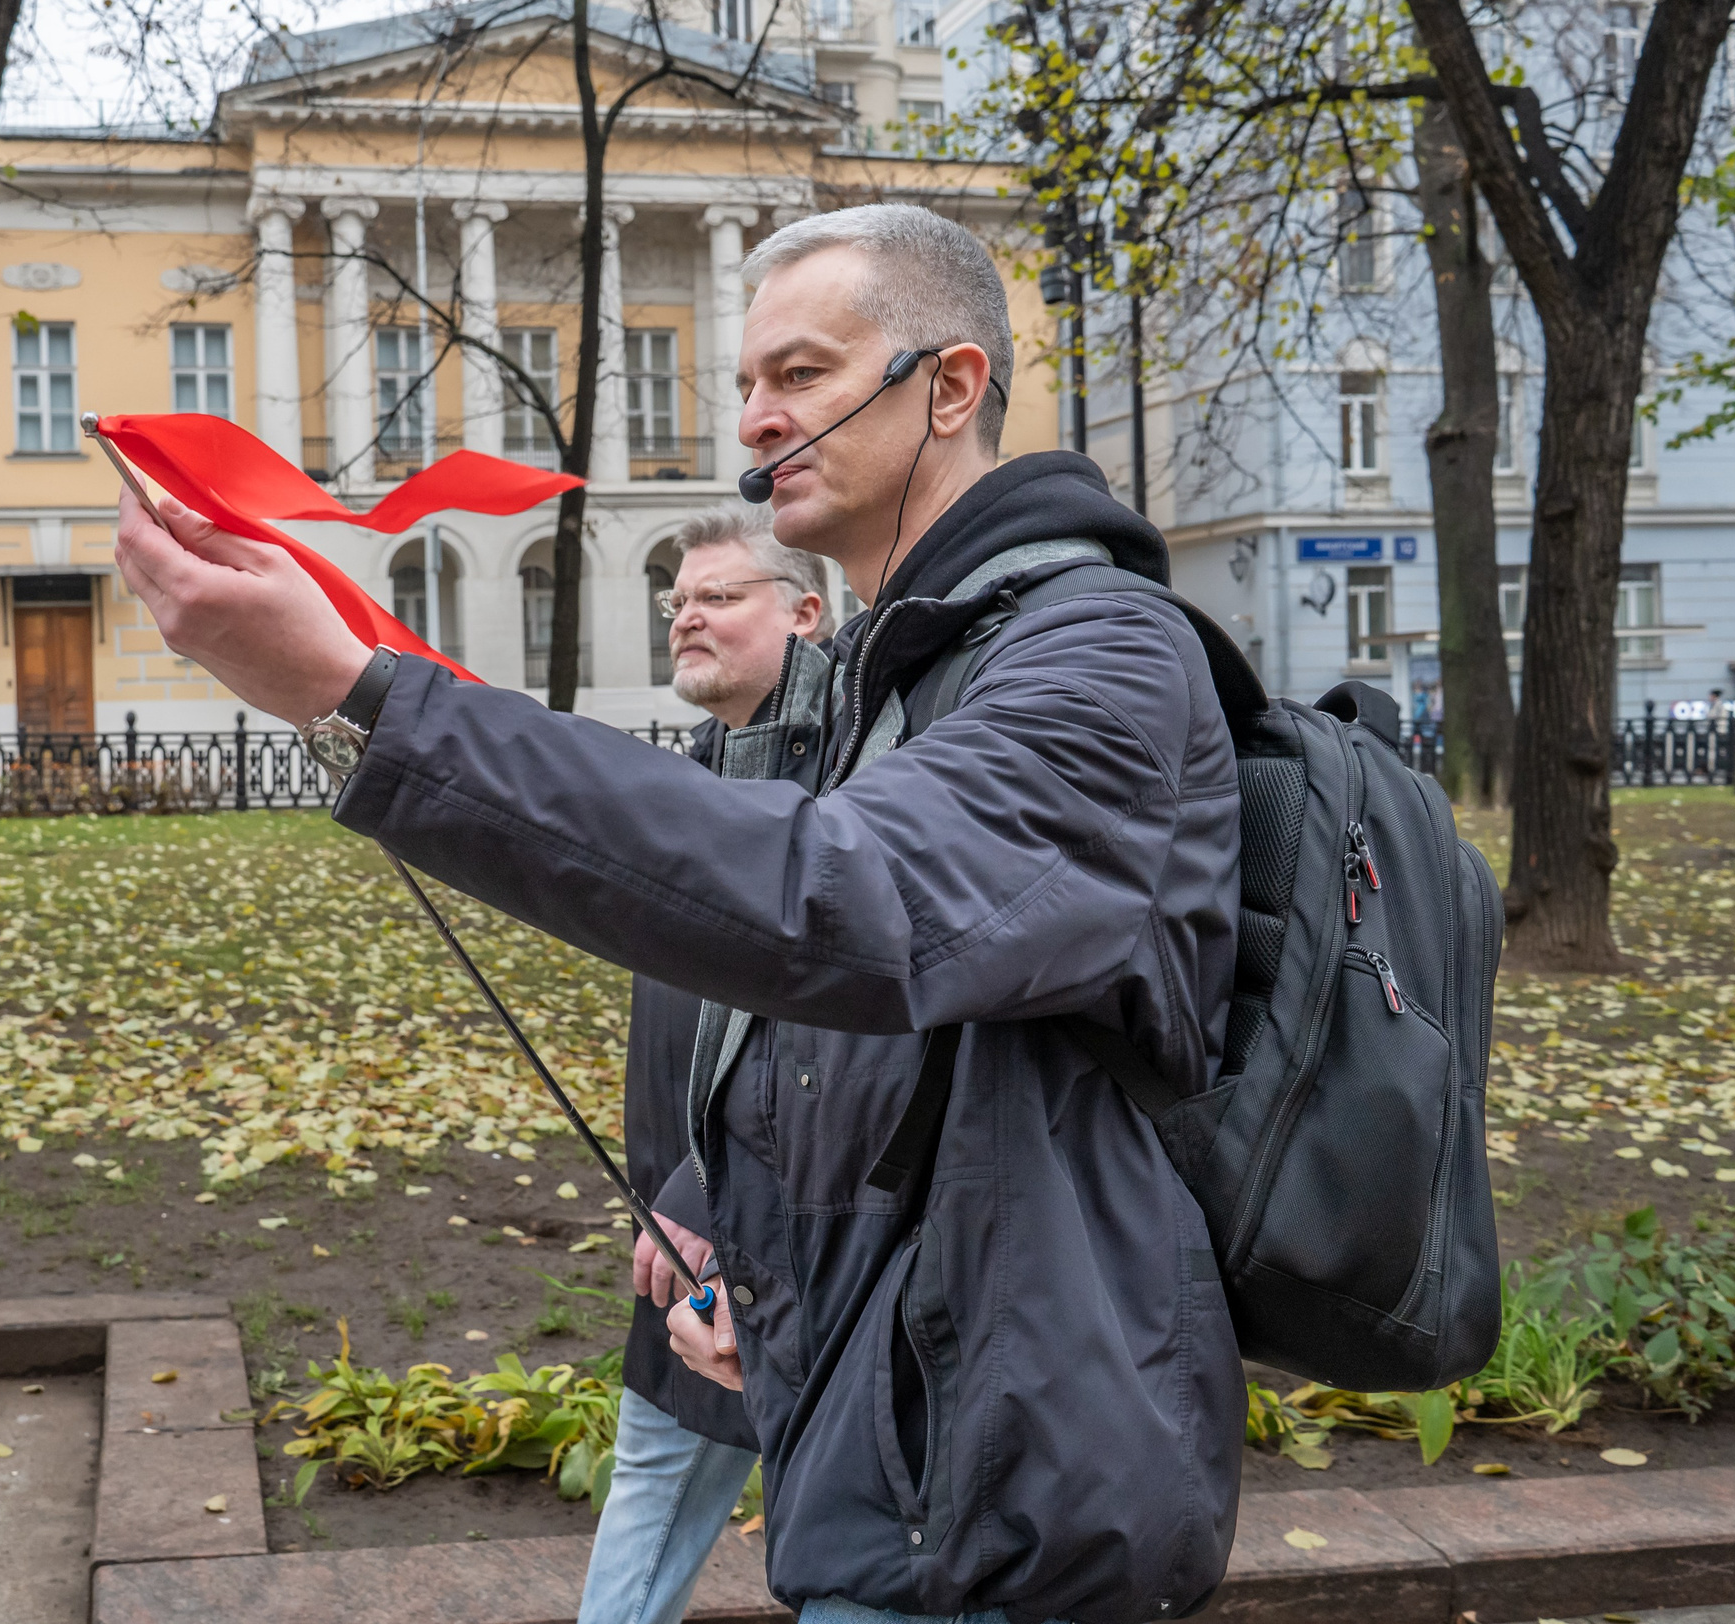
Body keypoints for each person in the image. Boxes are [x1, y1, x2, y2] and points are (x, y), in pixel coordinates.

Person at [115, 202, 1243, 1624]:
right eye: (746, 386)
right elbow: (844, 1046)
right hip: (889, 1464)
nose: (760, 419)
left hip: (1022, 1500)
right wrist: (722, 1229)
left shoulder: (1099, 653)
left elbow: (840, 904)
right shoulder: (887, 682)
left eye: (804, 376)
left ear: (951, 388)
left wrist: (366, 699)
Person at [583, 505, 827, 1624]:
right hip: (681, 1229)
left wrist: (696, 1198)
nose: (686, 616)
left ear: (806, 614)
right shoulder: (707, 768)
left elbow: (827, 1022)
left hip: (763, 1229)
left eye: (719, 597)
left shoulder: (836, 791)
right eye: (677, 600)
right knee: (661, 1482)